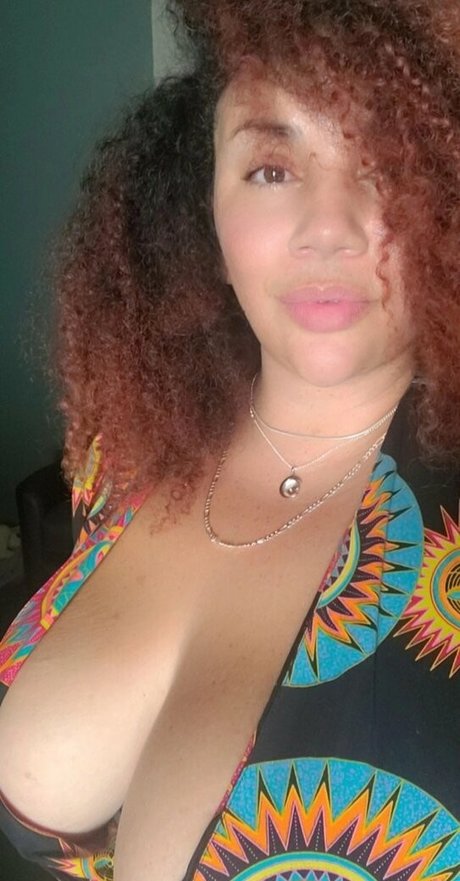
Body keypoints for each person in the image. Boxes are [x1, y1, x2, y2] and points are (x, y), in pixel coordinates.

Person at [1, 1, 459, 879]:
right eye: (273, 168)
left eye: (388, 164)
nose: (328, 229)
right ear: (203, 204)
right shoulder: (126, 447)